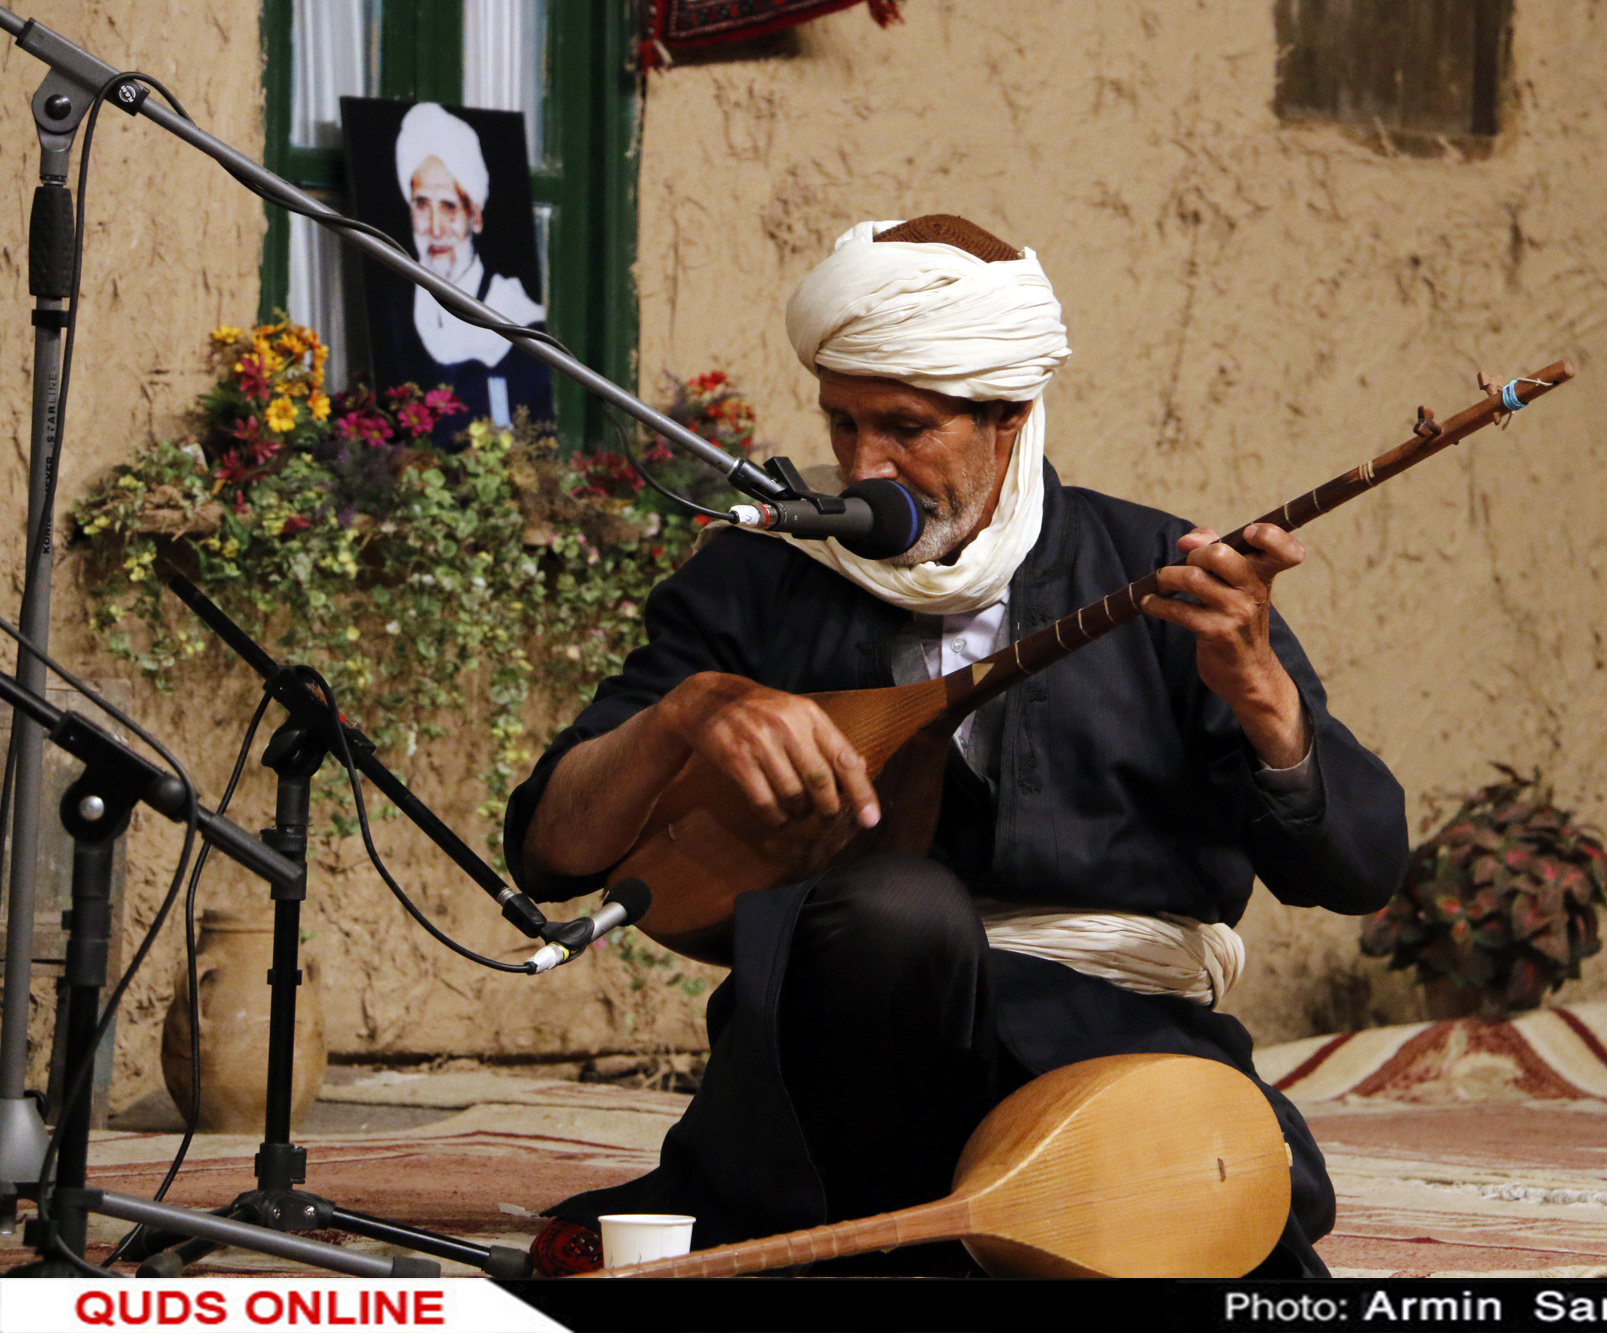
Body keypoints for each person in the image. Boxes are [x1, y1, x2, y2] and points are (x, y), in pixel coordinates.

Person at [505, 215, 1408, 1277]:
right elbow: (552, 851)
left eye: (903, 427)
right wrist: (685, 712)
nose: (862, 465)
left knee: (1227, 1217)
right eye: (840, 423)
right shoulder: (755, 577)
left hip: (1100, 1041)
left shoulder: (1165, 575)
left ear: (1010, 418)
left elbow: (1356, 868)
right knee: (897, 908)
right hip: (841, 1061)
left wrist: (1259, 691)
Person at [378, 102, 553, 448]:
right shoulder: (394, 315)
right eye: (422, 204)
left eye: (449, 206)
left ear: (475, 216)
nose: (435, 228)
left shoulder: (518, 318)